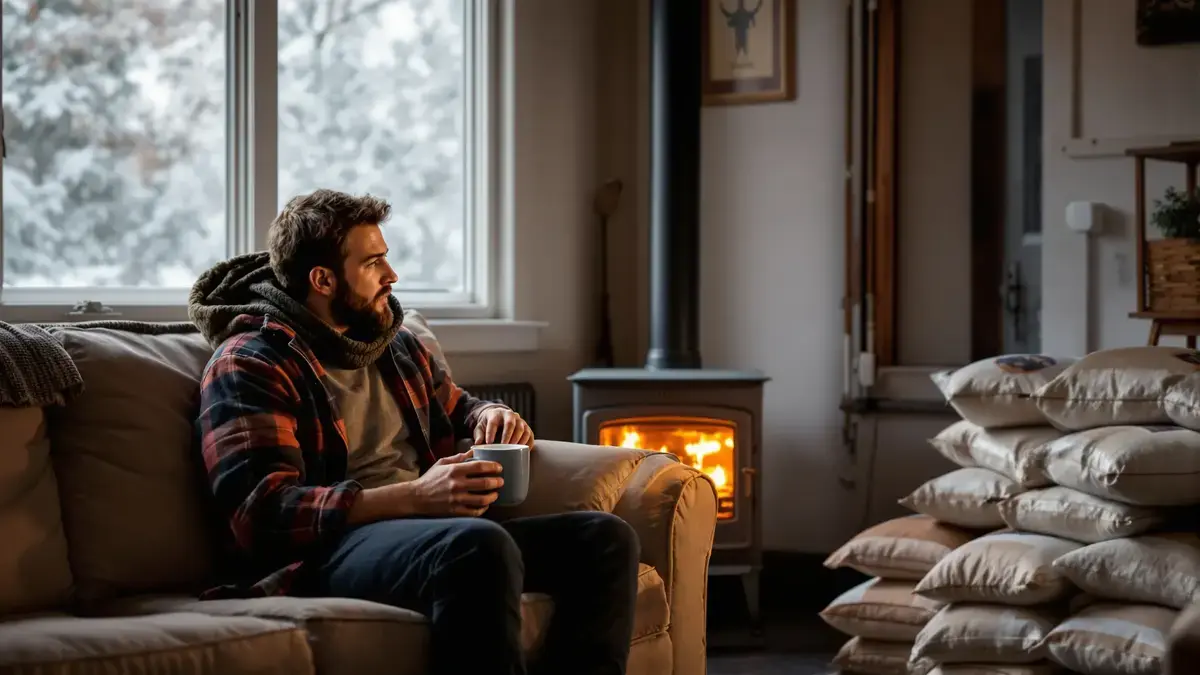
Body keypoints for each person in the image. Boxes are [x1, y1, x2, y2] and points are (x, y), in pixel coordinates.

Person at [188, 189, 641, 675]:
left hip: (427, 531)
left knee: (605, 538)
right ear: (322, 279)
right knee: (477, 546)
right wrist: (415, 497)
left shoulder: (392, 345)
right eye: (373, 263)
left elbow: (457, 405)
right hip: (328, 550)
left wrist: (490, 415)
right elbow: (261, 512)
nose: (392, 275)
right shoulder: (251, 361)